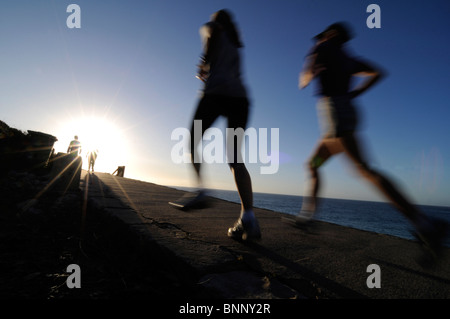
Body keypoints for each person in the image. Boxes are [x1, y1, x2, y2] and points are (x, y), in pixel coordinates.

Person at [297, 22, 447, 259]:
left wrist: (308, 69)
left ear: (332, 34)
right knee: (313, 165)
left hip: (335, 113)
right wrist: (355, 93)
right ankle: (308, 218)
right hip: (341, 113)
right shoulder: (349, 59)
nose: (320, 39)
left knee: (363, 169)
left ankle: (425, 224)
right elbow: (378, 72)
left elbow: (304, 79)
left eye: (323, 35)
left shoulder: (323, 47)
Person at [172, 9, 260, 240]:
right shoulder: (236, 42)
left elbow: (210, 37)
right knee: (234, 158)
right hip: (240, 99)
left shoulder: (213, 28)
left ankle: (202, 191)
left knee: (191, 142)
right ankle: (248, 217)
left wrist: (204, 62)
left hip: (216, 94)